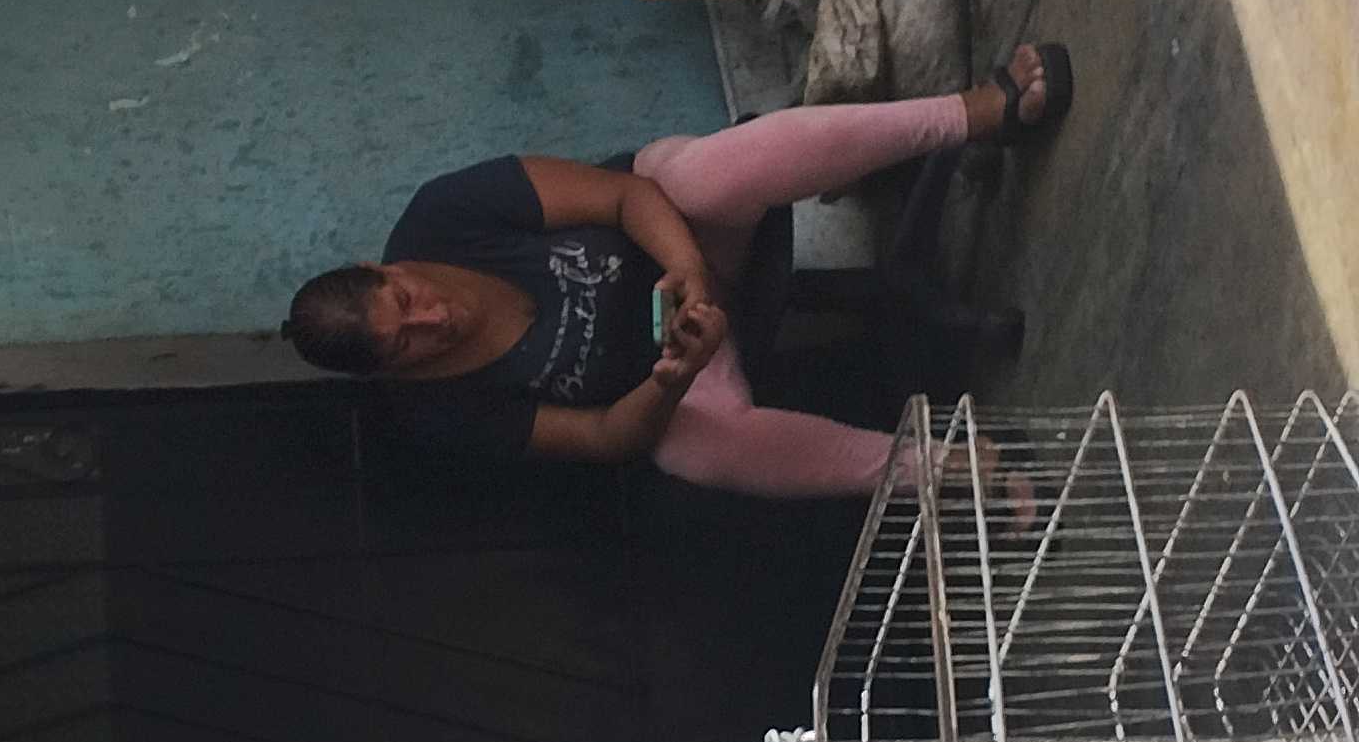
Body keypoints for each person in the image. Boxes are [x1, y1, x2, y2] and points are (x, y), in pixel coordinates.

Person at [284, 47, 1070, 496]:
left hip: (680, 227)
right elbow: (602, 436)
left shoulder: (442, 217)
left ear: (381, 266)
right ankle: (953, 470)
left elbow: (625, 196)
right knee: (692, 451)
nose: (433, 320)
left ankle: (975, 113)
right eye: (408, 342)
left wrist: (688, 267)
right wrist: (670, 379)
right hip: (683, 364)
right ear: (389, 372)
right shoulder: (440, 412)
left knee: (702, 176)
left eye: (407, 299)